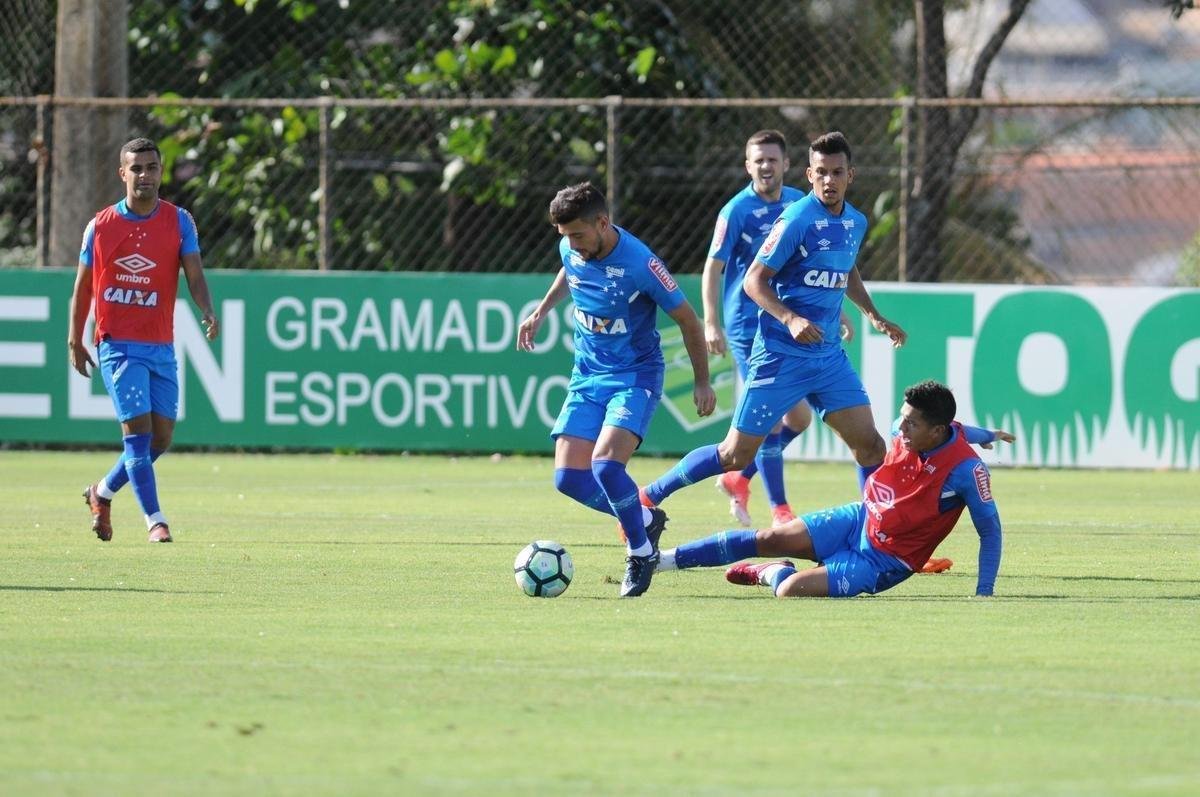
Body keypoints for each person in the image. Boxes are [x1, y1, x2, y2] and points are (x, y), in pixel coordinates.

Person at [640, 131, 906, 511]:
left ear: (852, 175)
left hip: (827, 358)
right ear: (808, 174)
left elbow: (846, 270)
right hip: (780, 357)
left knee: (871, 446)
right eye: (821, 173)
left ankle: (876, 537)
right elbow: (752, 281)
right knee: (734, 454)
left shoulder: (856, 222)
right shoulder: (796, 218)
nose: (829, 180)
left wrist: (874, 316)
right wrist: (789, 317)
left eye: (837, 172)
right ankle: (649, 496)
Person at [517, 182, 716, 598]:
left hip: (635, 376)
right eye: (564, 236)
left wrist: (701, 380)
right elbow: (570, 273)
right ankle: (644, 520)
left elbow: (689, 320)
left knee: (605, 466)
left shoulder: (641, 263)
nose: (570, 244)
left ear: (603, 223)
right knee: (568, 478)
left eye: (577, 235)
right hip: (587, 374)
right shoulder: (571, 248)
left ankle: (641, 553)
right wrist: (540, 312)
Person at [656, 380, 1015, 598]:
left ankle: (768, 572)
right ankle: (660, 561)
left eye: (911, 424)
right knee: (768, 536)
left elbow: (991, 531)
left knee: (788, 590)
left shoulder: (968, 471)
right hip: (858, 519)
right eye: (902, 417)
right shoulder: (919, 429)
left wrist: (984, 592)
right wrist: (990, 435)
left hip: (884, 560)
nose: (900, 428)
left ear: (936, 432)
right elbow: (959, 428)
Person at [701, 129, 855, 528]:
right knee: (772, 420)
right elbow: (714, 267)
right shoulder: (735, 211)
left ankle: (740, 477)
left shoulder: (799, 203)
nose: (766, 166)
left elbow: (817, 263)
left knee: (800, 420)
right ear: (747, 166)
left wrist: (835, 311)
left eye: (773, 159)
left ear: (789, 166)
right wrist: (712, 322)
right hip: (749, 325)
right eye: (759, 160)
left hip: (794, 327)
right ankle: (780, 510)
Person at [69, 137, 219, 544]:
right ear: (123, 174)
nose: (145, 175)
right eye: (136, 168)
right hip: (116, 343)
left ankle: (100, 492)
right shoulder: (101, 226)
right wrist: (75, 339)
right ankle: (156, 520)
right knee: (137, 436)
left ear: (161, 172)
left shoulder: (179, 221)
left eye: (151, 167)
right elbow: (83, 288)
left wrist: (206, 308)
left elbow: (195, 274)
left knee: (162, 438)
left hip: (160, 345)